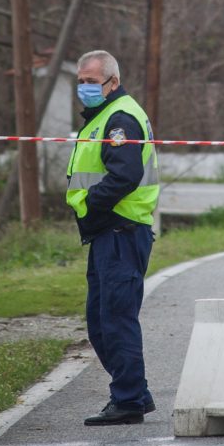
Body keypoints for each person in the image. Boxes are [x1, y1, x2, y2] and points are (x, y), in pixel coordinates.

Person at [66, 50, 159, 426]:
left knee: (116, 320)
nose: (85, 88)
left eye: (92, 81)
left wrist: (88, 206)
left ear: (113, 82)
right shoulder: (102, 116)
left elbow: (124, 176)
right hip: (109, 232)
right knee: (100, 322)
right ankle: (133, 391)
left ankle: (129, 400)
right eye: (81, 81)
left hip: (121, 229)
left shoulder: (120, 119)